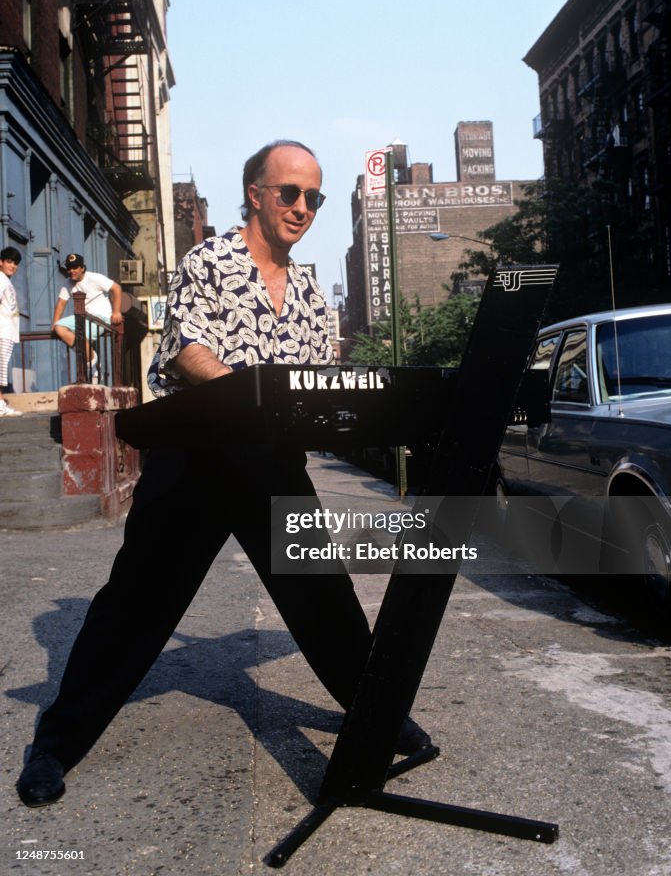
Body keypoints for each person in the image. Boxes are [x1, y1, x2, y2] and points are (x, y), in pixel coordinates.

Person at [17, 140, 432, 808]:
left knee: (323, 597)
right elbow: (186, 350)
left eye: (314, 198)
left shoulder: (306, 290)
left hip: (270, 462)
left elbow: (313, 382)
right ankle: (56, 743)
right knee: (135, 607)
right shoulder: (208, 258)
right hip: (196, 457)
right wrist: (253, 397)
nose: (302, 208)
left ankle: (376, 716)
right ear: (257, 195)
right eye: (290, 193)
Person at [51, 254, 123, 383]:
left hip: (101, 318)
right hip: (83, 318)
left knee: (80, 336)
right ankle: (93, 363)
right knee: (60, 328)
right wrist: (54, 323)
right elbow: (61, 303)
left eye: (75, 267)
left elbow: (116, 288)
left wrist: (116, 311)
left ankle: (93, 368)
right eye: (69, 268)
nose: (71, 271)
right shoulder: (67, 283)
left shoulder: (95, 278)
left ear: (82, 268)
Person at [0, 246, 22, 417]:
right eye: (9, 261)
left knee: (2, 368)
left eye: (15, 263)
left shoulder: (6, 281)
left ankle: (0, 402)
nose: (12, 266)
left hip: (7, 330)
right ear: (1, 262)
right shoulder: (1, 279)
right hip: (2, 330)